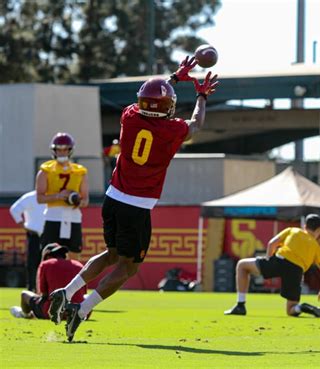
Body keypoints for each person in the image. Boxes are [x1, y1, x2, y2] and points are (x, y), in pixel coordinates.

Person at [48, 56, 219, 342]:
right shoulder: (171, 129)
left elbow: (150, 98)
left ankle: (66, 291)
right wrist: (201, 95)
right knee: (129, 266)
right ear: (167, 106)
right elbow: (196, 124)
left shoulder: (129, 116)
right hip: (137, 206)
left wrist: (175, 77)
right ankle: (81, 308)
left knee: (112, 253)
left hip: (113, 199)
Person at [224, 214, 320, 318]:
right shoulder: (317, 248)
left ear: (304, 226)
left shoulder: (292, 230)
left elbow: (271, 244)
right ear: (318, 230)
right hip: (296, 272)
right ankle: (301, 307)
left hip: (279, 261)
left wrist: (268, 263)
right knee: (291, 310)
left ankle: (240, 305)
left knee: (242, 265)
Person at [35, 132, 89, 259]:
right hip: (53, 216)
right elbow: (39, 198)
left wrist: (76, 200)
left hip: (73, 217)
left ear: (70, 150)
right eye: (58, 150)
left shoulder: (80, 171)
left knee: (74, 257)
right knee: (49, 257)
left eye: (65, 149)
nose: (62, 153)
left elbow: (85, 200)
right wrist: (59, 196)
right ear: (54, 150)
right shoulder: (45, 171)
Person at [10, 243, 87, 319]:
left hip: (53, 312)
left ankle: (26, 315)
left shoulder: (46, 264)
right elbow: (84, 293)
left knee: (24, 294)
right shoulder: (79, 265)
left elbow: (43, 294)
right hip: (81, 312)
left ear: (48, 256)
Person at [9, 190, 46, 291]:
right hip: (33, 234)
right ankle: (31, 288)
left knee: (47, 263)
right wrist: (22, 225)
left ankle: (44, 289)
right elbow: (14, 209)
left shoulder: (52, 196)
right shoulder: (30, 197)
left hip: (48, 234)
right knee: (32, 263)